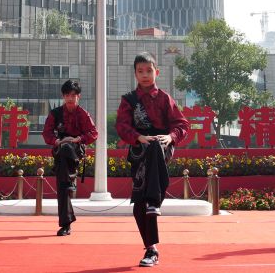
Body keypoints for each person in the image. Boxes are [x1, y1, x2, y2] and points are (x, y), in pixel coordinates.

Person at [115, 52, 189, 268]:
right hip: (139, 149)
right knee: (139, 206)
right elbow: (121, 126)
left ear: (157, 72)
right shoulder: (129, 100)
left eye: (149, 71)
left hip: (161, 148)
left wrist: (171, 137)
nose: (145, 75)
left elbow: (182, 125)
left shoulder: (165, 98)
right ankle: (151, 249)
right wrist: (138, 137)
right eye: (140, 71)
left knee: (155, 146)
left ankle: (154, 202)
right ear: (135, 74)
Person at [43, 79, 98, 236]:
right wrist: (58, 141)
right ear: (63, 96)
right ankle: (66, 225)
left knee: (67, 151)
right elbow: (46, 133)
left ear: (78, 96)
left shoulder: (83, 114)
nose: (70, 98)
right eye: (67, 95)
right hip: (60, 151)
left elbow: (93, 133)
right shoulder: (55, 113)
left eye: (73, 95)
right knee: (63, 187)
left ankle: (68, 180)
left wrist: (77, 139)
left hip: (76, 150)